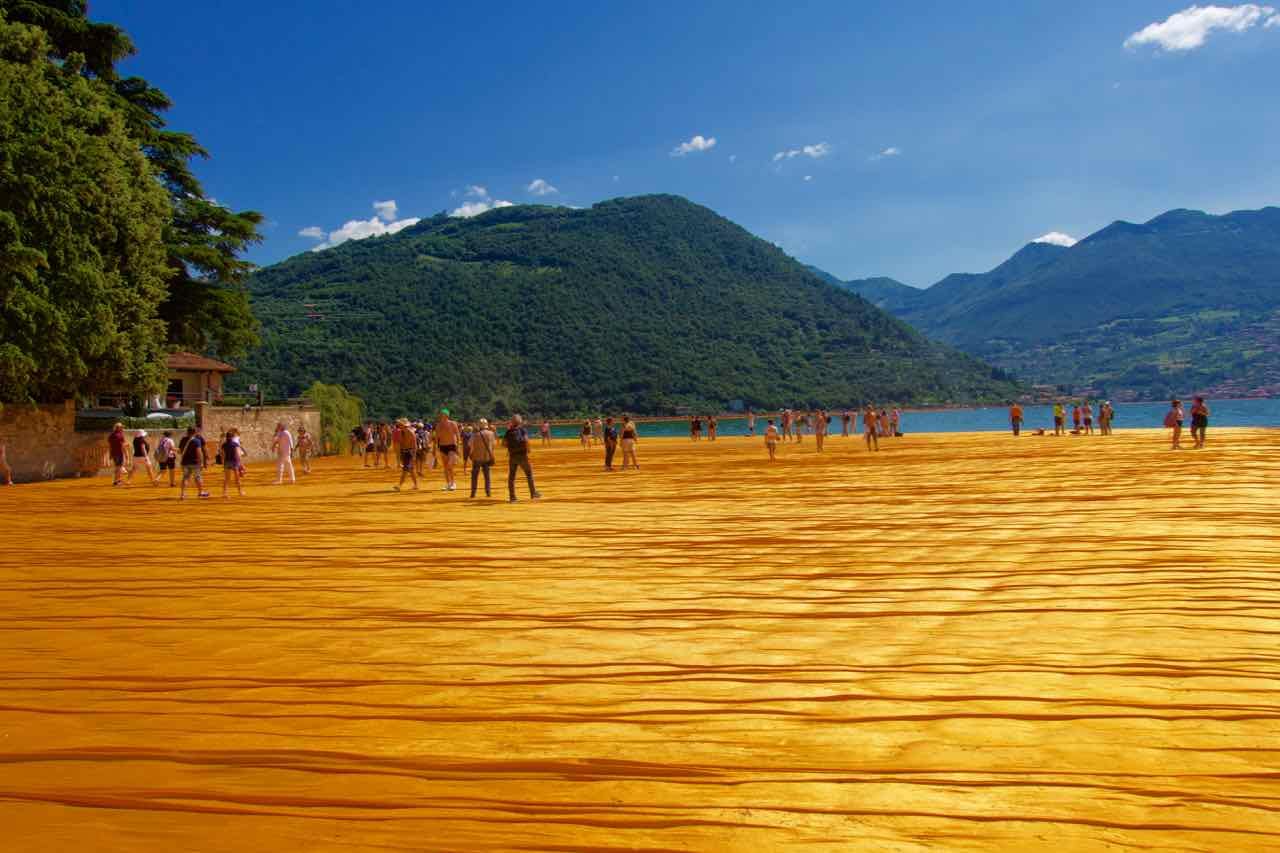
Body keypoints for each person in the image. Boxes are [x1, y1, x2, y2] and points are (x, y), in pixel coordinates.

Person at [503, 414, 541, 502]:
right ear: (520, 421)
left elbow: (503, 444)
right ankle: (533, 493)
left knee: (511, 477)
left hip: (512, 456)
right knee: (529, 474)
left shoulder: (508, 432)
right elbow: (526, 441)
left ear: (512, 422)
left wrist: (511, 447)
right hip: (522, 455)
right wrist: (528, 450)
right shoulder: (522, 430)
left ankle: (512, 497)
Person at [177, 426, 209, 499]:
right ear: (195, 432)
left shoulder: (183, 440)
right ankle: (200, 492)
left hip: (185, 462)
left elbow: (179, 451)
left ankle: (183, 494)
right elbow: (199, 452)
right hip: (195, 462)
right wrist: (201, 462)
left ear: (187, 432)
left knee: (185, 478)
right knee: (198, 477)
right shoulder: (196, 440)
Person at [468, 417, 496, 497]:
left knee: (474, 476)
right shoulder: (491, 434)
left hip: (477, 458)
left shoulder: (475, 435)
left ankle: (473, 493)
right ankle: (488, 492)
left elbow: (470, 445)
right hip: (487, 457)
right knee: (487, 476)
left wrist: (471, 455)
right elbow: (493, 445)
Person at [434, 408, 461, 491]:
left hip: (452, 446)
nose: (441, 416)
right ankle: (448, 483)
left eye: (443, 414)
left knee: (449, 465)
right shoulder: (438, 425)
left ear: (447, 415)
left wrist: (458, 446)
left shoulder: (453, 424)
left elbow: (457, 435)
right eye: (441, 414)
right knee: (445, 467)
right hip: (442, 447)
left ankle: (453, 483)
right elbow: (436, 438)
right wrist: (434, 448)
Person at [392, 418, 419, 491]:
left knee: (405, 469)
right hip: (404, 453)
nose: (399, 426)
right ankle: (416, 485)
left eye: (401, 425)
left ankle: (399, 485)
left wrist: (414, 456)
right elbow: (399, 444)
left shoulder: (411, 433)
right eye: (399, 425)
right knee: (411, 470)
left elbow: (415, 446)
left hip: (409, 453)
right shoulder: (400, 432)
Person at [220, 427, 245, 498]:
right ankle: (240, 492)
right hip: (234, 462)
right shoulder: (235, 444)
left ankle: (224, 493)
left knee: (227, 479)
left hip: (227, 462)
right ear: (232, 437)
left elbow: (223, 455)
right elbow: (237, 454)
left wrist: (223, 463)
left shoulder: (224, 445)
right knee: (237, 478)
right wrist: (240, 464)